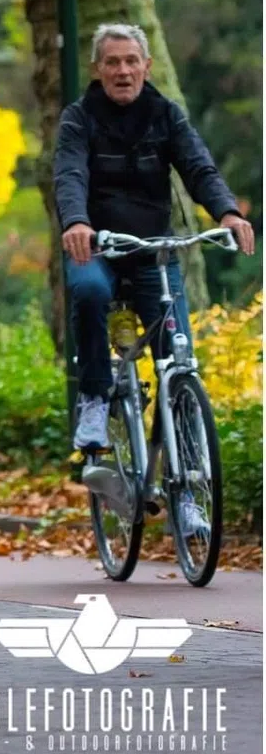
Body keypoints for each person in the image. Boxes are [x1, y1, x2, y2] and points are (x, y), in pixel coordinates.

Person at [55, 23, 253, 466]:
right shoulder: (78, 118)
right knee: (89, 291)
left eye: (131, 61)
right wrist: (77, 222)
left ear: (147, 66)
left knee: (178, 361)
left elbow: (198, 166)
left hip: (154, 250)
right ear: (98, 68)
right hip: (98, 247)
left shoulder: (166, 114)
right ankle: (93, 398)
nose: (122, 71)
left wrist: (228, 212)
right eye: (112, 62)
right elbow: (70, 174)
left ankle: (186, 483)